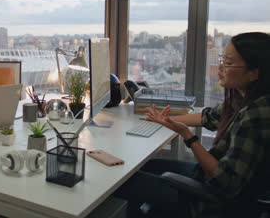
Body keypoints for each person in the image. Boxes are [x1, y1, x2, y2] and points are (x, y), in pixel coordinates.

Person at [114, 32, 270, 217]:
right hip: (208, 178)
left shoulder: (255, 115)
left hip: (213, 200)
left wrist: (189, 136)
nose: (220, 66)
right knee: (146, 167)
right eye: (222, 59)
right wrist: (165, 120)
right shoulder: (244, 98)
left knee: (123, 181)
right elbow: (209, 117)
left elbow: (226, 181)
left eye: (228, 63)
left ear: (254, 73)